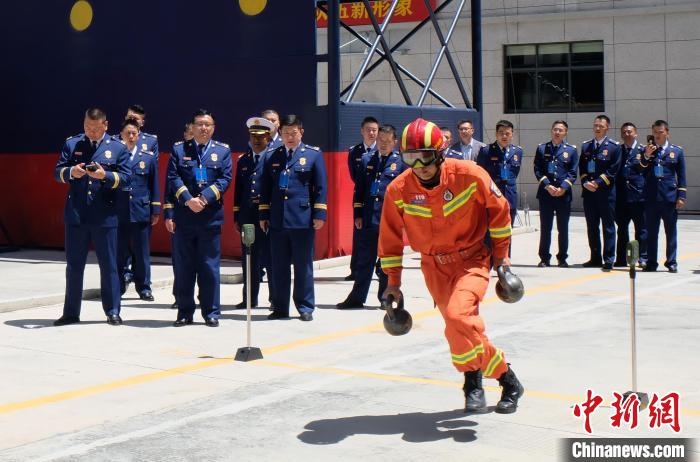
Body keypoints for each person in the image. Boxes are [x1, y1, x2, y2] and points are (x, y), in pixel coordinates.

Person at [379, 118, 524, 414]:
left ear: (441, 153)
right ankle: (498, 382)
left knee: (459, 317)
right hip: (434, 269)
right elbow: (390, 240)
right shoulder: (398, 190)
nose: (420, 165)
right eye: (411, 158)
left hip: (472, 260)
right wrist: (392, 283)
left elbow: (499, 212)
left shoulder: (469, 174)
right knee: (458, 329)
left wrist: (503, 260)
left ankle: (483, 382)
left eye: (426, 157)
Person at [53, 108, 131, 326]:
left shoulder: (117, 147)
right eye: (88, 127)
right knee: (74, 266)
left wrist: (104, 175)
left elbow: (126, 179)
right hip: (77, 216)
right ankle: (71, 312)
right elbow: (57, 172)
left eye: (96, 128)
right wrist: (71, 172)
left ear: (105, 125)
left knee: (109, 266)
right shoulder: (73, 144)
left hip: (105, 216)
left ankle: (112, 310)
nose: (92, 132)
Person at [259, 115, 327, 322]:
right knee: (278, 266)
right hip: (278, 219)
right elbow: (265, 188)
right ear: (280, 134)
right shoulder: (272, 155)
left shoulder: (313, 155)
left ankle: (305, 307)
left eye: (293, 133)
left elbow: (321, 187)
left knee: (303, 266)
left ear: (301, 132)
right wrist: (263, 214)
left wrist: (319, 214)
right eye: (285, 133)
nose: (289, 137)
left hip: (302, 219)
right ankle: (280, 307)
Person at [167, 109, 232, 327]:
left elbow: (225, 180)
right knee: (185, 267)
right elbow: (173, 178)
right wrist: (188, 200)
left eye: (208, 125)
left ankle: (211, 311)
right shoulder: (178, 150)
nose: (204, 128)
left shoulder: (222, 151)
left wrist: (203, 199)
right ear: (192, 127)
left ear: (213, 128)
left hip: (210, 219)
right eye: (200, 124)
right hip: (185, 218)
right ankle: (184, 312)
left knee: (209, 267)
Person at [337, 124, 405, 309]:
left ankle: (386, 297)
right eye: (380, 140)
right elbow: (359, 190)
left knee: (386, 262)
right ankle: (357, 298)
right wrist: (358, 214)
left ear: (394, 142)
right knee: (364, 261)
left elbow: (406, 193)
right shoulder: (367, 159)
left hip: (389, 221)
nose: (382, 144)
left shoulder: (400, 163)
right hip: (368, 219)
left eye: (387, 141)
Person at [115, 118, 160, 300]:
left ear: (139, 135)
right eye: (128, 133)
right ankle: (117, 286)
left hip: (141, 211)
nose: (131, 136)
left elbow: (154, 184)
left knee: (142, 252)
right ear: (121, 135)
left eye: (134, 133)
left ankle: (144, 287)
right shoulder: (114, 156)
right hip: (119, 211)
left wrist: (155, 210)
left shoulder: (147, 157)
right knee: (119, 251)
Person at [233, 117, 276, 308]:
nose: (256, 140)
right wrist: (237, 216)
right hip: (248, 217)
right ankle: (249, 298)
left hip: (267, 218)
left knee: (271, 260)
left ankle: (276, 299)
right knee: (249, 260)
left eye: (261, 137)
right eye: (253, 136)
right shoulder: (243, 160)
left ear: (268, 137)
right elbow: (238, 191)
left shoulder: (275, 158)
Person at [640, 120, 686, 273]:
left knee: (670, 231)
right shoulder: (647, 150)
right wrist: (646, 156)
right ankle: (652, 262)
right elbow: (640, 169)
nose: (658, 135)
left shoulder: (677, 151)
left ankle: (671, 262)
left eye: (661, 132)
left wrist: (681, 196)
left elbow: (681, 175)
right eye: (655, 132)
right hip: (652, 197)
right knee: (651, 233)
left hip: (669, 197)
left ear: (667, 132)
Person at [533, 120, 578, 268]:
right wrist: (547, 186)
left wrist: (563, 187)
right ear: (551, 131)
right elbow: (537, 170)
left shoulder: (571, 150)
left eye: (560, 130)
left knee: (563, 228)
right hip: (546, 195)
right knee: (546, 228)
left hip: (563, 195)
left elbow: (572, 172)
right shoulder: (542, 148)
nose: (557, 132)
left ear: (565, 132)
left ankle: (562, 258)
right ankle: (544, 258)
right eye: (555, 129)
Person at [579, 115, 621, 271]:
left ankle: (609, 259)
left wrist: (597, 182)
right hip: (589, 194)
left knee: (608, 227)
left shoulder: (614, 147)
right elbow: (582, 168)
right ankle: (595, 257)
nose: (597, 128)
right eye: (595, 125)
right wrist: (585, 182)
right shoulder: (586, 146)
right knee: (592, 226)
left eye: (601, 126)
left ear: (607, 128)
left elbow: (613, 170)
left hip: (606, 193)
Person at [163, 123, 195, 310]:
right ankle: (180, 296)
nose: (193, 136)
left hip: (202, 213)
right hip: (181, 214)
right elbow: (170, 187)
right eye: (190, 133)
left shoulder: (209, 153)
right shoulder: (178, 152)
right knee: (181, 260)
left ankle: (200, 296)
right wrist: (169, 214)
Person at [346, 116, 379, 281]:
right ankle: (355, 269)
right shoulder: (354, 151)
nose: (371, 133)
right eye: (368, 130)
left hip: (379, 199)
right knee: (358, 233)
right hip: (362, 197)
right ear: (362, 131)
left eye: (374, 130)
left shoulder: (382, 150)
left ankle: (380, 269)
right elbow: (354, 175)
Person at [614, 122, 648, 268]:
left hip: (638, 196)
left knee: (641, 229)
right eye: (624, 132)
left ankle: (642, 257)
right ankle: (621, 258)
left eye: (629, 132)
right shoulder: (617, 150)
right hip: (621, 197)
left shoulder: (643, 151)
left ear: (635, 133)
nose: (627, 134)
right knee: (621, 229)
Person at [476, 120, 523, 225]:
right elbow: (480, 174)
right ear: (496, 134)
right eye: (501, 133)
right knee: (491, 232)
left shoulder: (518, 151)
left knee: (508, 231)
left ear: (512, 135)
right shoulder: (486, 151)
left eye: (507, 133)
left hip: (510, 196)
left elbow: (515, 174)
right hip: (492, 196)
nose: (504, 136)